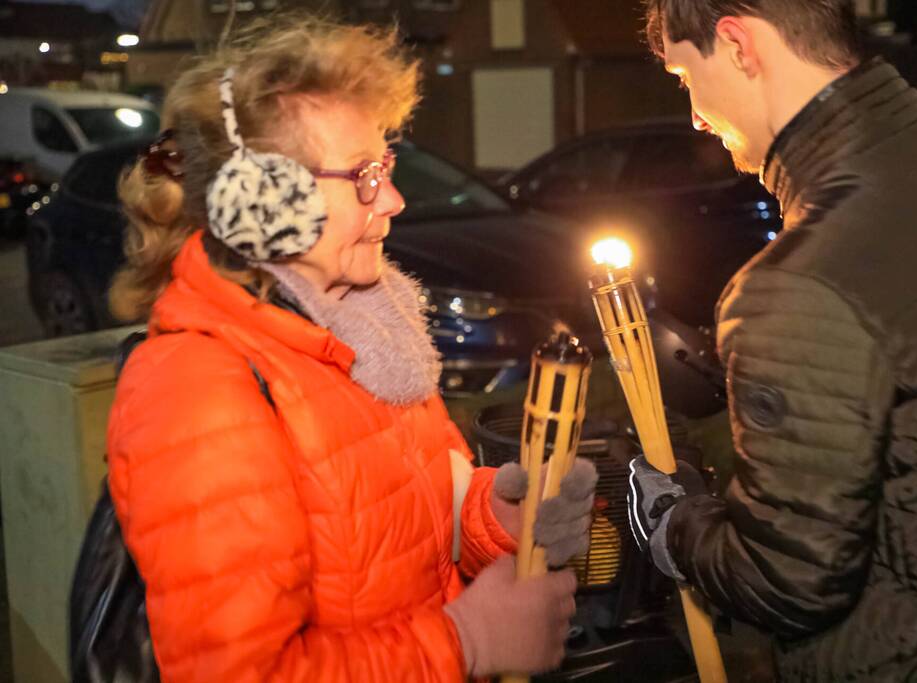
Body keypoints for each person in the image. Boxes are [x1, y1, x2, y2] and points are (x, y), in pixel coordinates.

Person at [105, 16, 596, 682]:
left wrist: (495, 516)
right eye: (363, 175)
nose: (392, 200)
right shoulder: (195, 391)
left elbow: (398, 537)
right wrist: (465, 642)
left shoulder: (366, 329)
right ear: (260, 204)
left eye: (386, 167)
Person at [626, 1, 917, 680]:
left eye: (685, 77)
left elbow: (790, 581)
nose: (694, 115)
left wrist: (674, 524)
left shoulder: (794, 288)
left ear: (738, 44)